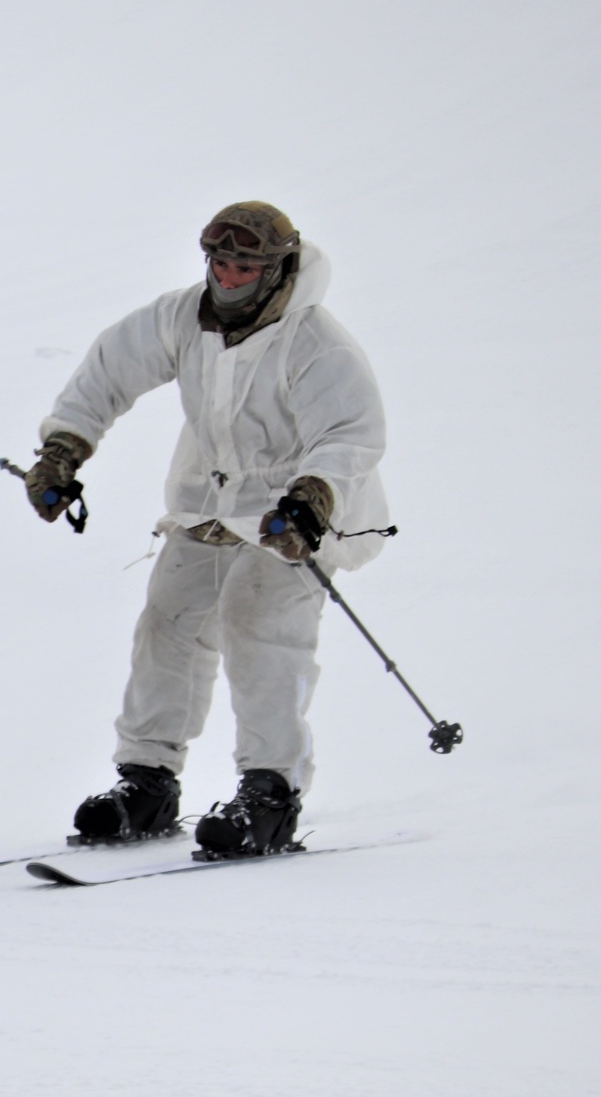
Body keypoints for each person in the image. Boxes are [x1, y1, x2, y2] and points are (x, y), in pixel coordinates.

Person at [25, 202, 389, 856]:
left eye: (244, 266)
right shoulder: (184, 318)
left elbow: (349, 433)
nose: (227, 277)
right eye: (219, 262)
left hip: (293, 517)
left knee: (262, 633)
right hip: (207, 504)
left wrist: (312, 499)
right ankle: (147, 781)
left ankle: (270, 792)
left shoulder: (314, 343)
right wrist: (65, 449)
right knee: (167, 627)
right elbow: (110, 369)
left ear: (275, 272)